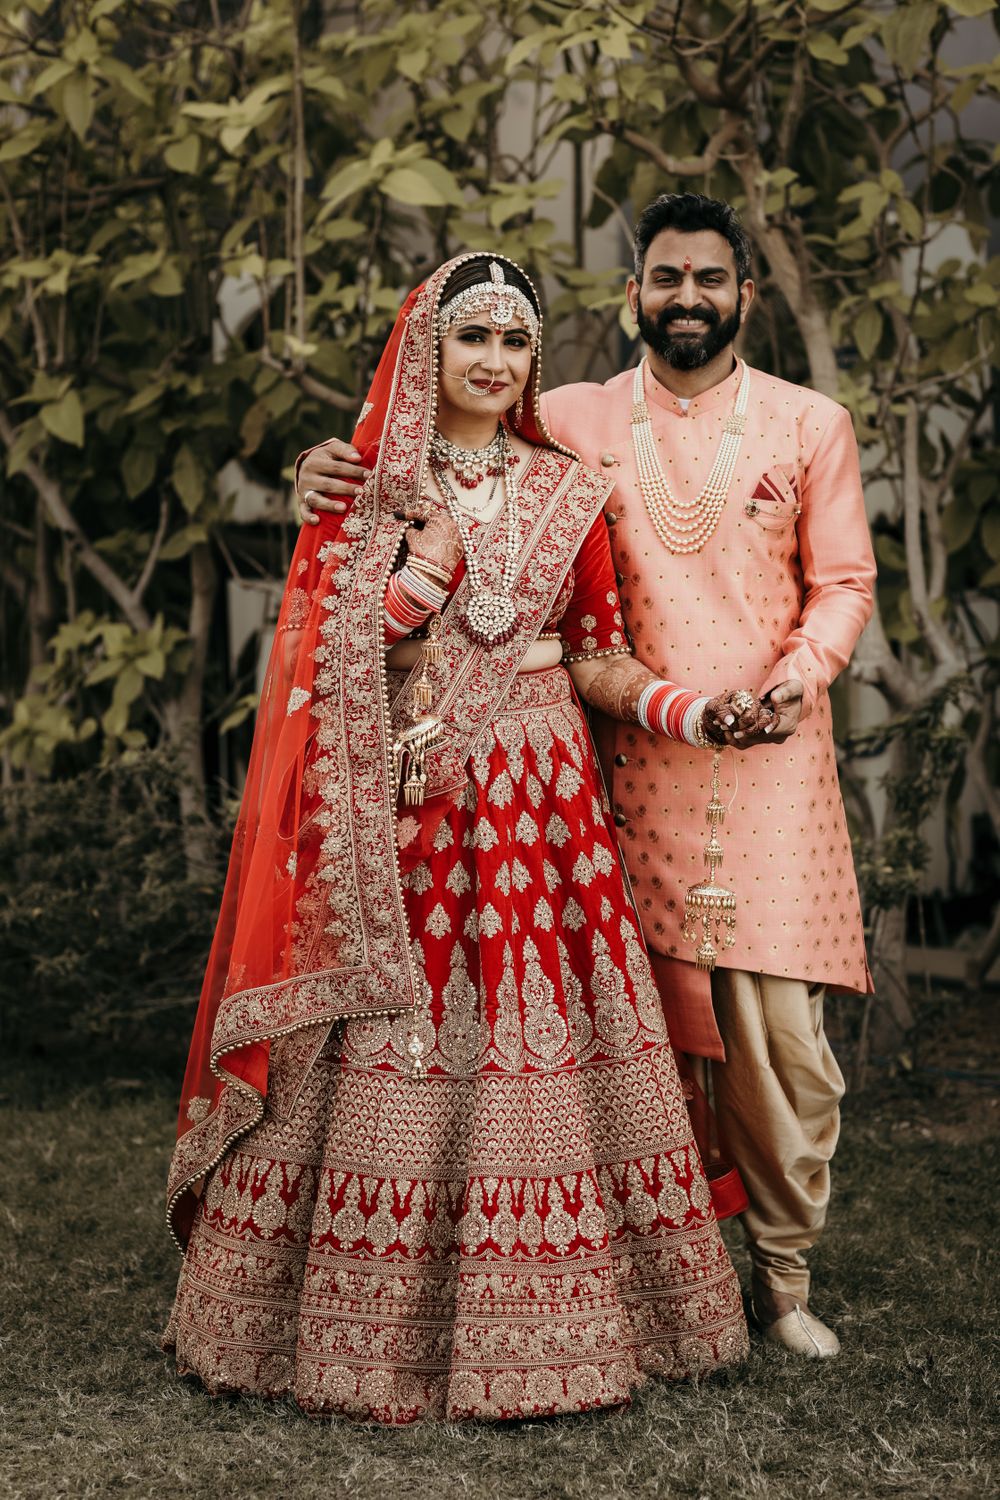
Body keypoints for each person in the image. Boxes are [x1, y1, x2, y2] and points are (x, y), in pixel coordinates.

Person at [164, 252, 764, 1425]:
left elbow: (596, 655)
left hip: (543, 813)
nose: (493, 363)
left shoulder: (567, 488)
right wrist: (414, 571)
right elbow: (317, 656)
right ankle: (347, 1331)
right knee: (388, 1031)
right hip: (406, 801)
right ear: (425, 349)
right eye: (471, 338)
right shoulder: (363, 484)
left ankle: (575, 1321)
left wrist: (690, 711)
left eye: (513, 343)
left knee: (541, 1030)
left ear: (534, 362)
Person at [297, 196, 879, 1360]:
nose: (687, 298)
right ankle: (636, 1267)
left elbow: (845, 582)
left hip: (757, 766)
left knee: (779, 1050)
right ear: (631, 296)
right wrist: (324, 466)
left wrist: (794, 679)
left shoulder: (810, 422)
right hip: (612, 779)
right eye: (665, 278)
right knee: (634, 1035)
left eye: (709, 279)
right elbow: (413, 440)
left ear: (743, 296)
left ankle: (781, 1277)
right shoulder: (568, 416)